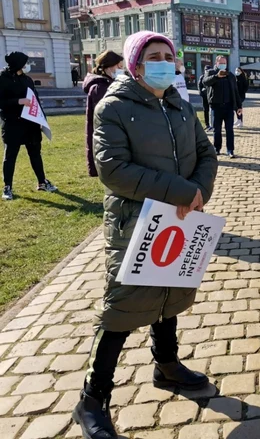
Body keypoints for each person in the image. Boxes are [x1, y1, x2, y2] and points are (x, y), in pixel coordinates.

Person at [72, 31, 218, 439]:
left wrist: (199, 191)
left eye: (168, 56)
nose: (163, 62)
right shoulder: (113, 108)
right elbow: (113, 169)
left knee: (169, 293)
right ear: (135, 64)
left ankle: (166, 364)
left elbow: (206, 153)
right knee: (121, 308)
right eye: (153, 56)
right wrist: (181, 191)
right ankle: (91, 399)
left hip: (180, 218)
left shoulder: (179, 104)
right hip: (135, 223)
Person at [0, 52, 57, 201]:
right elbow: (1, 102)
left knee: (35, 153)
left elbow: (35, 100)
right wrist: (19, 101)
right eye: (24, 63)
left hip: (30, 124)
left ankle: (42, 182)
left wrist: (41, 120)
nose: (26, 66)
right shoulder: (3, 79)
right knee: (10, 156)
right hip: (12, 124)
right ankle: (7, 187)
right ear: (17, 64)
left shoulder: (27, 79)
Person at [84, 50, 123, 177]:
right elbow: (106, 115)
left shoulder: (108, 84)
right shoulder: (100, 88)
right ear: (109, 67)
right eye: (119, 67)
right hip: (108, 140)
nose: (121, 70)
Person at [202, 56, 241, 158]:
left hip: (228, 107)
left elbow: (235, 92)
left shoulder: (230, 76)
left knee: (229, 130)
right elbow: (205, 82)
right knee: (217, 130)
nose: (223, 64)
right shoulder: (211, 73)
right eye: (221, 63)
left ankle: (230, 150)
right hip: (216, 107)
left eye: (225, 62)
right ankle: (217, 148)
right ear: (217, 63)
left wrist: (238, 106)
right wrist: (216, 77)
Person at [198, 66, 212, 131]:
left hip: (211, 96)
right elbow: (199, 85)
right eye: (206, 70)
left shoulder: (212, 77)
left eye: (208, 69)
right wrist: (201, 92)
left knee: (212, 110)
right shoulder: (202, 77)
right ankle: (207, 124)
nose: (207, 71)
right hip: (205, 96)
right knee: (205, 110)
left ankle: (213, 124)